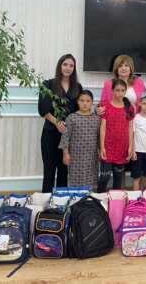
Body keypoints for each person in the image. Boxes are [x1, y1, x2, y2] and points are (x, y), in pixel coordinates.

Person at [100, 55, 146, 188]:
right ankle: (119, 192)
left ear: (131, 68)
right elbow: (103, 104)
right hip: (115, 130)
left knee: (135, 161)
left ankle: (135, 193)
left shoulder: (139, 83)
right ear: (116, 68)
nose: (123, 68)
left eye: (126, 65)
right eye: (120, 65)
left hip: (136, 126)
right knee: (117, 167)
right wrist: (99, 109)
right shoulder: (109, 84)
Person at [38, 54, 83, 192]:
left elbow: (81, 109)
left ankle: (61, 201)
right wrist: (57, 123)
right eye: (65, 64)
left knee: (64, 171)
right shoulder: (47, 84)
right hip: (50, 133)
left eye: (71, 66)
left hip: (69, 135)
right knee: (49, 170)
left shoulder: (78, 87)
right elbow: (43, 109)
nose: (68, 68)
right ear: (60, 66)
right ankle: (46, 201)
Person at [58, 90, 101, 188]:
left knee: (90, 179)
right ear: (77, 101)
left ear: (92, 102)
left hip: (91, 156)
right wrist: (65, 153)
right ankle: (76, 196)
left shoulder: (96, 119)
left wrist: (100, 151)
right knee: (75, 180)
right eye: (82, 100)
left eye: (87, 101)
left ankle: (88, 196)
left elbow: (99, 137)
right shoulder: (71, 118)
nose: (85, 103)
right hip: (75, 156)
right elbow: (65, 137)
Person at [98, 79, 135, 192]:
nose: (120, 93)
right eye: (117, 90)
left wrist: (130, 147)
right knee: (104, 177)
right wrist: (102, 147)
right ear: (112, 91)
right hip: (108, 147)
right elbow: (103, 127)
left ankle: (116, 200)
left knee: (118, 178)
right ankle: (99, 199)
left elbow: (130, 128)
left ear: (125, 91)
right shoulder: (106, 107)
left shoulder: (129, 108)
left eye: (123, 90)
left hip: (122, 147)